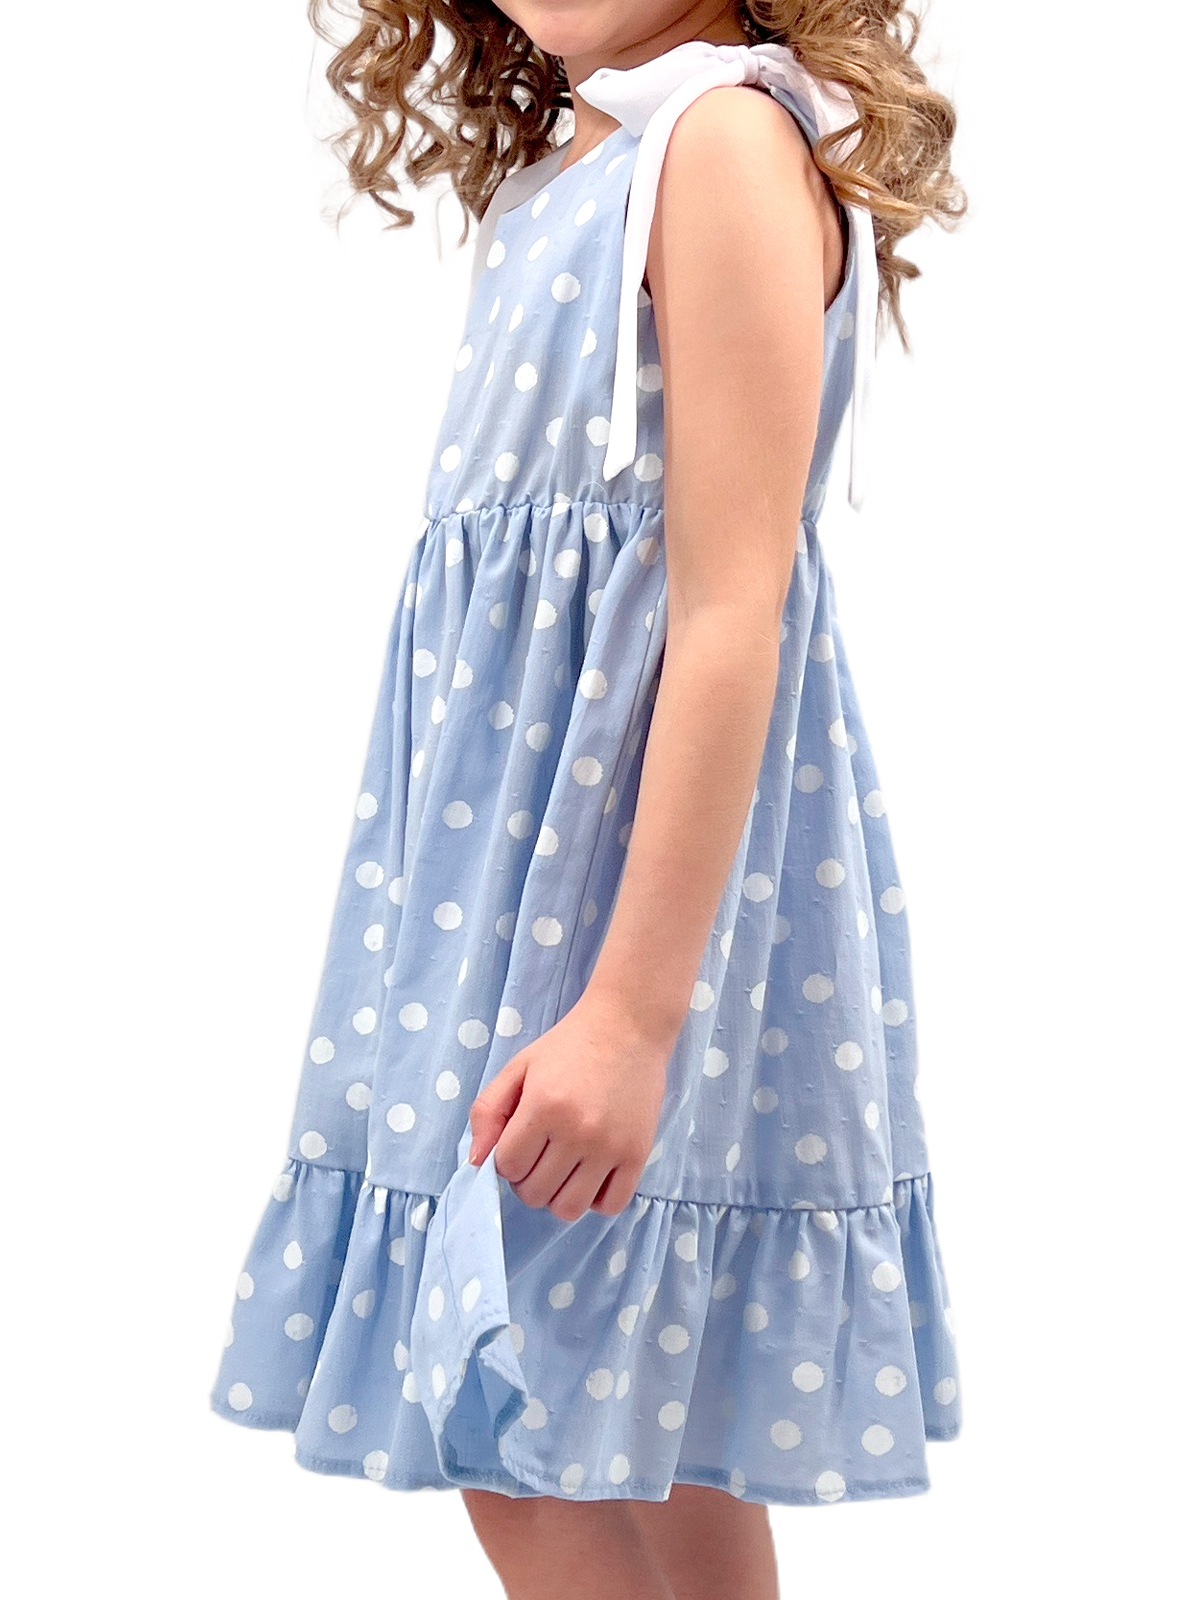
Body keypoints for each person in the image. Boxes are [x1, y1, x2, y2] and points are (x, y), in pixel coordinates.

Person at [209, 3, 967, 1595]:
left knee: (507, 1395)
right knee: (635, 1403)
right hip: (502, 866)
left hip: (621, 894)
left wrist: (626, 1017)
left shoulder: (724, 143)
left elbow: (734, 608)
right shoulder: (580, 167)